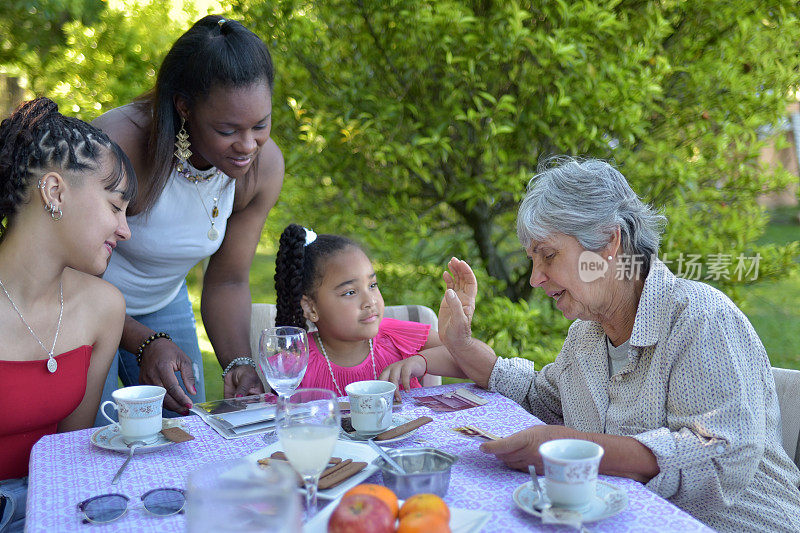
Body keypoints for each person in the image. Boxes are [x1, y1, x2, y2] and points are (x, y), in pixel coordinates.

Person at [430, 157, 800, 531]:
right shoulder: (587, 335)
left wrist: (577, 452)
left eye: (548, 255)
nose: (535, 279)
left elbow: (720, 452)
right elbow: (543, 399)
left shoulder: (699, 318)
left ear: (609, 241)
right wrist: (461, 344)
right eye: (532, 259)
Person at [92, 15, 284, 421]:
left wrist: (239, 364)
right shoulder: (120, 148)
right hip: (82, 304)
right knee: (101, 428)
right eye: (228, 129)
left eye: (260, 125)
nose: (248, 145)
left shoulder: (262, 169)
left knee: (185, 428)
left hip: (163, 300)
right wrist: (146, 343)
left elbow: (228, 279)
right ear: (184, 107)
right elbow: (63, 274)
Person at [0, 97, 133, 532]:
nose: (125, 230)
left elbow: (72, 450)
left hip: (52, 508)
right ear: (55, 191)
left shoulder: (103, 309)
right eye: (115, 206)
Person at [273, 223, 466, 397]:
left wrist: (421, 361)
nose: (370, 301)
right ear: (310, 307)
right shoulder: (295, 363)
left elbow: (471, 363)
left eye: (372, 285)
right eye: (350, 292)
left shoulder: (395, 336)